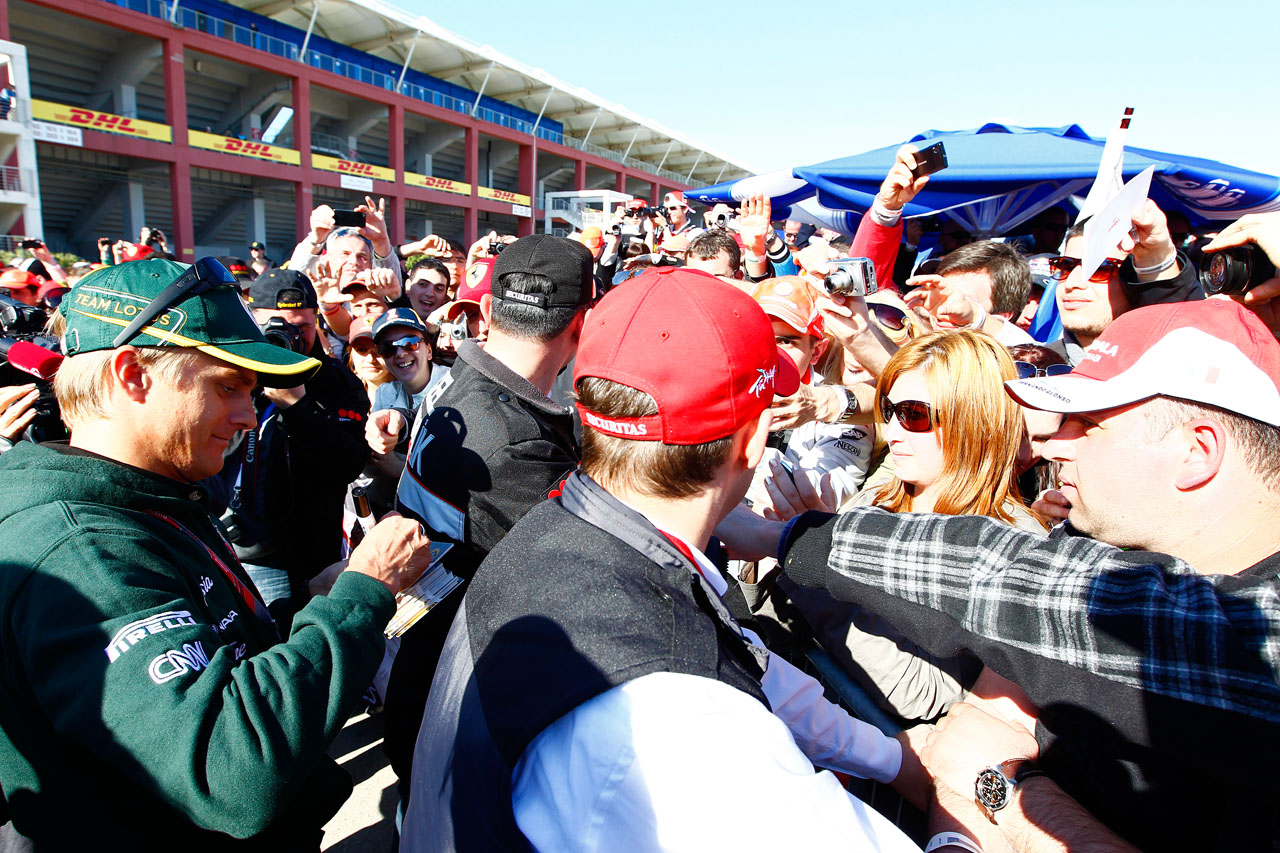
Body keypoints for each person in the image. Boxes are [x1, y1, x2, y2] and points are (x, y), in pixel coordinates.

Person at [719, 296, 1280, 850]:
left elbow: (994, 595)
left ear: (1197, 452)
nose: (1051, 442)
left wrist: (1007, 793)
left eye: (1086, 424)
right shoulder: (1085, 553)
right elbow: (977, 718)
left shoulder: (1249, 646)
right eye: (890, 409)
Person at [400, 268, 922, 852]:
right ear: (752, 441)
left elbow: (751, 663)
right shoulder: (678, 716)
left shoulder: (558, 523)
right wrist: (969, 812)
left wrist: (897, 758)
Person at [0, 257, 430, 848]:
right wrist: (365, 592)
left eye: (253, 392)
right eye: (227, 386)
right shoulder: (84, 548)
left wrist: (308, 605)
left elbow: (208, 657)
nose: (249, 416)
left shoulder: (151, 493)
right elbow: (231, 769)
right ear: (132, 375)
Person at [371, 234, 592, 804]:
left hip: (419, 662)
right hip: (456, 691)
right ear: (582, 322)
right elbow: (587, 569)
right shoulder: (517, 443)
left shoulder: (453, 385)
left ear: (489, 310)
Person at [217, 268, 370, 612]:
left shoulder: (335, 380)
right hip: (245, 545)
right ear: (252, 319)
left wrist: (298, 404)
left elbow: (348, 463)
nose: (290, 337)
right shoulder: (231, 370)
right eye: (276, 327)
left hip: (314, 546)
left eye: (302, 327)